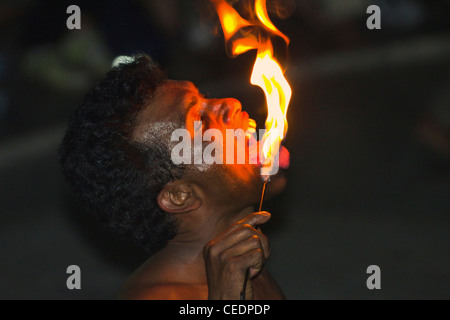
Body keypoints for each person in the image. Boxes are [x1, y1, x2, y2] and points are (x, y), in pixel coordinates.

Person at [59, 54, 288, 300]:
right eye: (200, 120)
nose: (230, 103)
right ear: (180, 196)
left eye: (205, 97)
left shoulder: (241, 260)